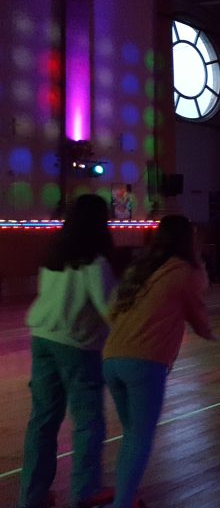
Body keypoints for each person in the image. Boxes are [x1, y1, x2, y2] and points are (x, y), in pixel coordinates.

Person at [102, 215, 216, 508]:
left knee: (131, 436)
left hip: (112, 358)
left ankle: (125, 496)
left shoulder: (141, 269)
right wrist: (207, 331)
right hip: (144, 362)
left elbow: (111, 311)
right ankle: (123, 502)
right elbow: (197, 307)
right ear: (186, 240)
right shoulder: (184, 271)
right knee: (139, 438)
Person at [19, 194, 117, 508]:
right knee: (88, 422)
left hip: (42, 339)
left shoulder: (54, 256)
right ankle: (84, 494)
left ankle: (32, 498)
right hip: (77, 346)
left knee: (43, 422)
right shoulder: (95, 262)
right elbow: (108, 309)